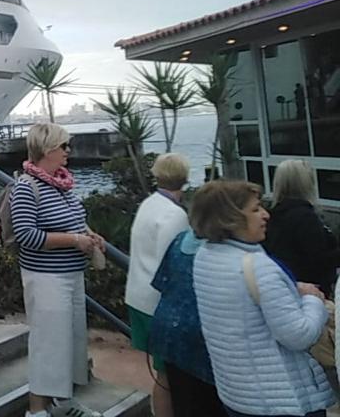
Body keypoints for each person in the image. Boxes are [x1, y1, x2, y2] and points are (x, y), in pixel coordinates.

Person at [192, 180, 335, 417]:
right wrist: (313, 301)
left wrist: (289, 288)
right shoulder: (259, 267)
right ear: (231, 218)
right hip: (279, 399)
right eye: (256, 209)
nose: (266, 215)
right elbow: (299, 336)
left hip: (237, 393)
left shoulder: (205, 256)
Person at [11, 122, 105, 417]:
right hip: (46, 278)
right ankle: (36, 409)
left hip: (70, 275)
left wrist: (90, 235)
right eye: (63, 146)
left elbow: (75, 220)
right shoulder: (26, 188)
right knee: (49, 342)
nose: (68, 151)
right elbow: (27, 236)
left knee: (70, 340)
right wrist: (74, 240)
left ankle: (63, 401)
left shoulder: (60, 184)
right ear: (47, 149)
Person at [125, 153, 191, 417]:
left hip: (138, 297)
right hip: (158, 306)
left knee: (163, 374)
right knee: (169, 377)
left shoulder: (149, 203)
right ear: (184, 179)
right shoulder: (175, 215)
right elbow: (174, 265)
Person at [149, 229, 226, 416]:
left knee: (179, 397)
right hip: (205, 343)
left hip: (171, 331)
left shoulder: (180, 240)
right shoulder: (229, 253)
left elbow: (162, 282)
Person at [263, 159, 340, 298]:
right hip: (312, 292)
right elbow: (319, 259)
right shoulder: (305, 217)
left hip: (286, 287)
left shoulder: (272, 215)